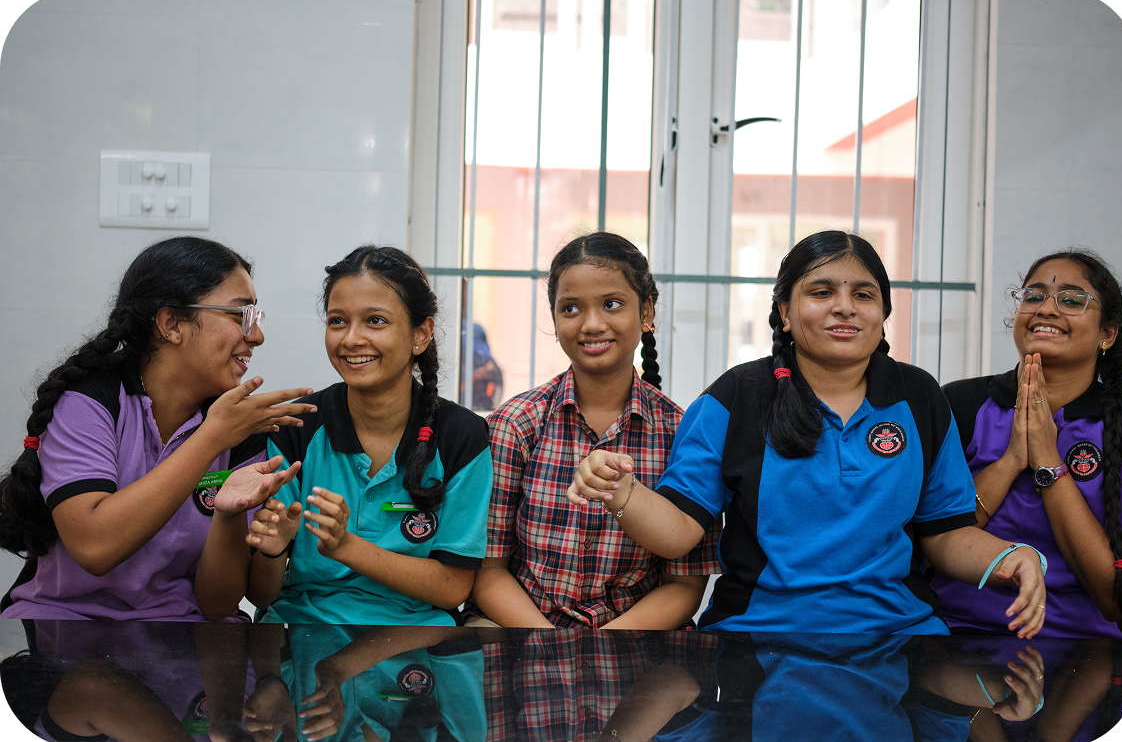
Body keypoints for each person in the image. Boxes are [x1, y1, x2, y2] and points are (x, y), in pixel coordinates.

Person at [568, 230, 1048, 636]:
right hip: (757, 639)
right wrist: (622, 491)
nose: (845, 308)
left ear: (883, 312)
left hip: (900, 638)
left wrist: (1012, 556)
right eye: (821, 293)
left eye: (863, 295)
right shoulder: (735, 397)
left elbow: (945, 535)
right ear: (784, 311)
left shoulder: (918, 396)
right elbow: (678, 534)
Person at [0, 236, 313, 622]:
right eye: (240, 315)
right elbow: (95, 548)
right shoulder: (93, 398)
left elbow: (217, 606)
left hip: (179, 628)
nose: (256, 336)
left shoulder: (239, 427)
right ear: (171, 324)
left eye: (256, 317)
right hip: (63, 621)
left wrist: (229, 515)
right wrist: (211, 438)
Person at [466, 231, 719, 629]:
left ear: (646, 312)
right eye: (571, 308)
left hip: (636, 637)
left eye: (612, 304)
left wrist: (604, 644)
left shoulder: (681, 433)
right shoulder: (514, 425)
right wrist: (552, 644)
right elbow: (489, 570)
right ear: (554, 320)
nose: (592, 324)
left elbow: (684, 585)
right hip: (524, 629)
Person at [245, 245, 493, 625]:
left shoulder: (461, 436)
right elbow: (261, 595)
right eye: (338, 321)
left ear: (421, 333)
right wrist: (273, 552)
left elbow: (453, 587)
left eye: (375, 321)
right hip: (303, 629)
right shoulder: (297, 427)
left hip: (417, 636)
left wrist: (347, 546)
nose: (351, 339)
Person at [932, 250, 1122, 638]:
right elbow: (932, 541)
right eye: (1033, 296)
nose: (1045, 309)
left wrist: (1048, 463)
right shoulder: (960, 403)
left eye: (1072, 300)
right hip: (956, 633)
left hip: (1085, 648)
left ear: (1107, 334)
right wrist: (1011, 461)